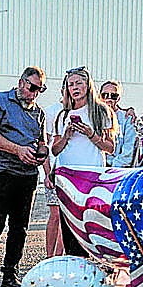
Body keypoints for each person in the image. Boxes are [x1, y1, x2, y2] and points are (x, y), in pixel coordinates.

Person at [0, 66, 49, 287]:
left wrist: (42, 153)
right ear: (21, 82)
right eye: (32, 87)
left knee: (20, 228)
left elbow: (41, 141)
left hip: (27, 175)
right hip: (1, 172)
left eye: (39, 89)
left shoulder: (39, 113)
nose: (34, 93)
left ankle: (10, 274)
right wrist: (17, 150)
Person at [44, 67, 115, 257]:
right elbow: (55, 150)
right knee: (68, 227)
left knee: (91, 225)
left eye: (79, 83)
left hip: (91, 178)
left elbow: (110, 147)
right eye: (71, 84)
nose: (74, 87)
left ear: (88, 85)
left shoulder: (101, 111)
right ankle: (72, 266)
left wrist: (90, 134)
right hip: (67, 178)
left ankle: (91, 265)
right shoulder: (62, 114)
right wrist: (67, 135)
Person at [101, 80, 141, 168]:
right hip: (94, 168)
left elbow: (128, 150)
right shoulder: (93, 116)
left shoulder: (127, 118)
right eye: (105, 95)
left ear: (118, 98)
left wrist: (112, 169)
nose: (109, 98)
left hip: (116, 171)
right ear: (100, 96)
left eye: (113, 96)